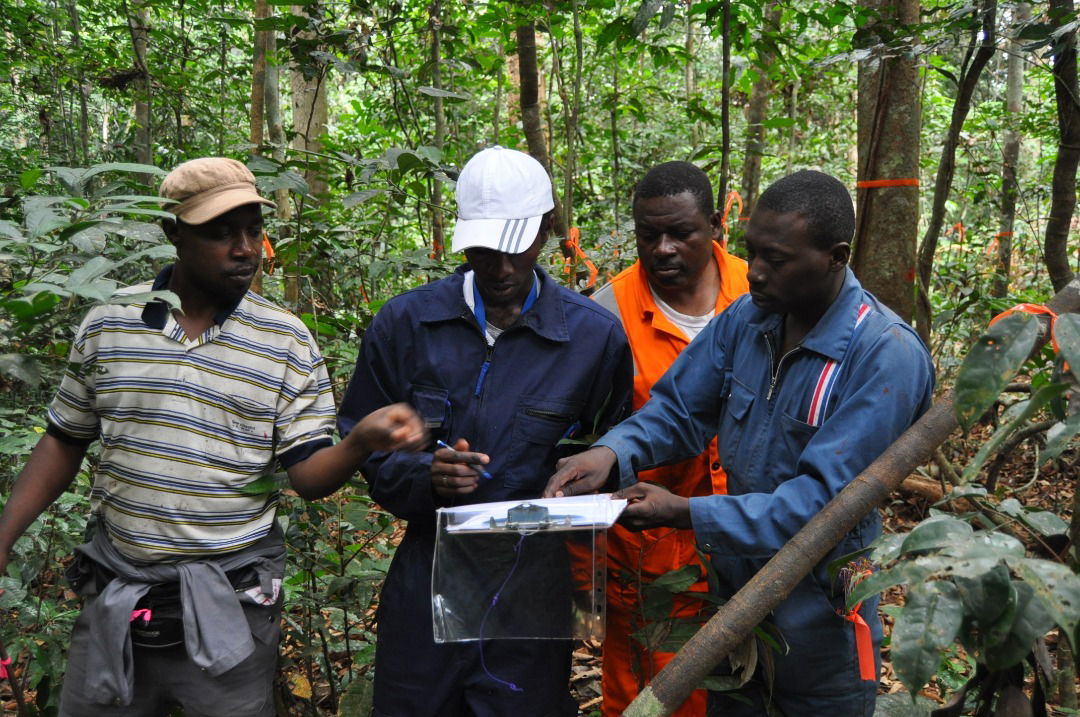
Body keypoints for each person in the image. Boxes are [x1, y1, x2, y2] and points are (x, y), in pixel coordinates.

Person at [0, 157, 427, 717]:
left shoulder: (285, 340)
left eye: (254, 229)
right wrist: (4, 536)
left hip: (231, 602)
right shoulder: (112, 320)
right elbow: (64, 439)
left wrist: (358, 444)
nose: (246, 248)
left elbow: (308, 475)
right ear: (172, 233)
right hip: (116, 595)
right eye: (221, 233)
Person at [546, 170, 935, 716]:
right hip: (731, 609)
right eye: (751, 253)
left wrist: (686, 513)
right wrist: (610, 453)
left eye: (775, 260)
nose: (753, 273)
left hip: (821, 616)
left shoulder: (883, 354)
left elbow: (823, 504)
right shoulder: (750, 320)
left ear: (835, 256)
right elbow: (680, 409)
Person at [337, 146, 633, 717]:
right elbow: (366, 449)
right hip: (427, 579)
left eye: (515, 246)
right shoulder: (407, 324)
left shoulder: (593, 339)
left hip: (534, 591)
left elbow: (614, 448)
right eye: (483, 248)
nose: (499, 267)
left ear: (548, 230)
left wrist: (586, 487)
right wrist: (428, 477)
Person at [587, 161, 747, 717]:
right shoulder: (606, 314)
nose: (663, 249)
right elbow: (591, 440)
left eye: (681, 233)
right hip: (648, 552)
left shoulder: (765, 289)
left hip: (753, 531)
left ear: (715, 227)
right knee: (646, 694)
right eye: (648, 235)